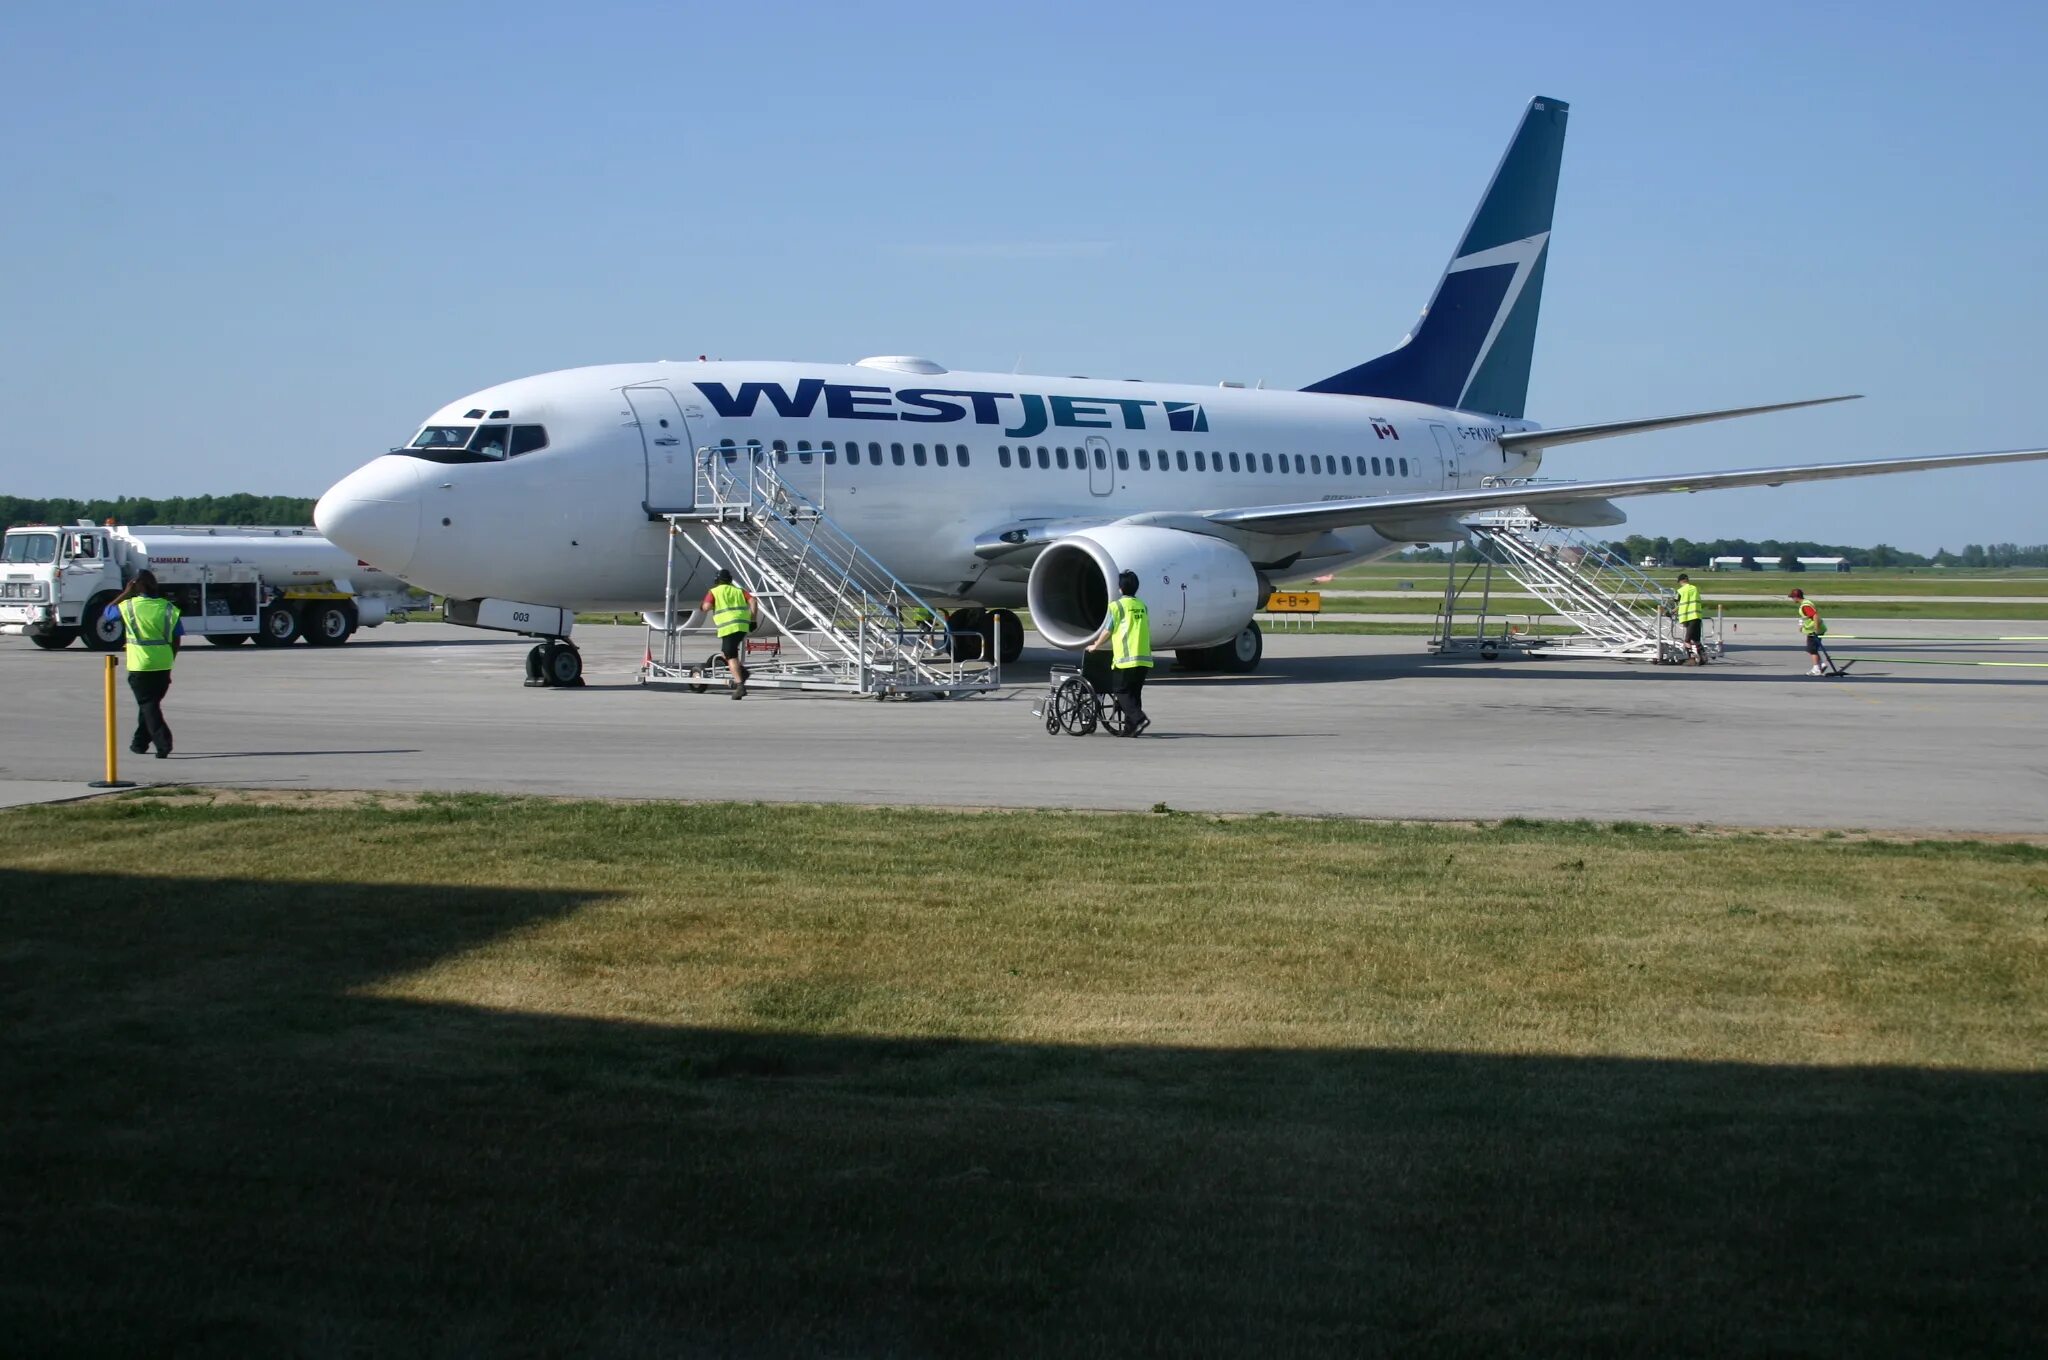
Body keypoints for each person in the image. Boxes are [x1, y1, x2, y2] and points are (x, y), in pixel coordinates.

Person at [108, 570, 181, 757]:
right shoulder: (168, 608)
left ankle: (163, 743)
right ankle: (139, 744)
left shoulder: (129, 606)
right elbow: (176, 638)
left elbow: (107, 613)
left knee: (148, 705)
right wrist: (170, 660)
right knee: (149, 704)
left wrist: (125, 592)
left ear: (136, 586)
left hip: (140, 664)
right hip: (163, 663)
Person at [1083, 570, 1153, 735]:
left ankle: (1139, 718)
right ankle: (1131, 727)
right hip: (1144, 657)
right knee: (1134, 694)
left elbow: (1108, 630)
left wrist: (1095, 645)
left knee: (1120, 690)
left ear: (1120, 588)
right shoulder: (1142, 605)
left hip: (1126, 657)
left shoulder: (1117, 606)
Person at [701, 568, 756, 699]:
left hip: (729, 627)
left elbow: (706, 607)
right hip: (742, 625)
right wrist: (753, 620)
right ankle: (742, 672)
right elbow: (753, 600)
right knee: (727, 652)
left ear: (716, 580)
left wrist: (702, 606)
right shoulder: (738, 590)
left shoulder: (714, 591)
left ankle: (740, 685)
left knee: (730, 655)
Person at [1789, 588, 1830, 675]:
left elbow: (1815, 616)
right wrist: (1802, 625)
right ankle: (1821, 665)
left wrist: (1816, 628)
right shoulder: (1806, 603)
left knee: (1812, 649)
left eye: (1792, 597)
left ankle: (1816, 668)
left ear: (1796, 597)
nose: (1792, 599)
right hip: (1813, 630)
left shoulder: (1805, 605)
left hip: (1814, 630)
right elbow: (1806, 617)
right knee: (1812, 649)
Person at [1673, 573, 1705, 664]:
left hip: (1687, 617)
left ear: (1680, 581)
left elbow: (1678, 604)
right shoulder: (1694, 589)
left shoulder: (1680, 591)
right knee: (1696, 639)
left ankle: (1691, 658)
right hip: (1697, 616)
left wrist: (1671, 612)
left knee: (1687, 640)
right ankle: (1703, 656)